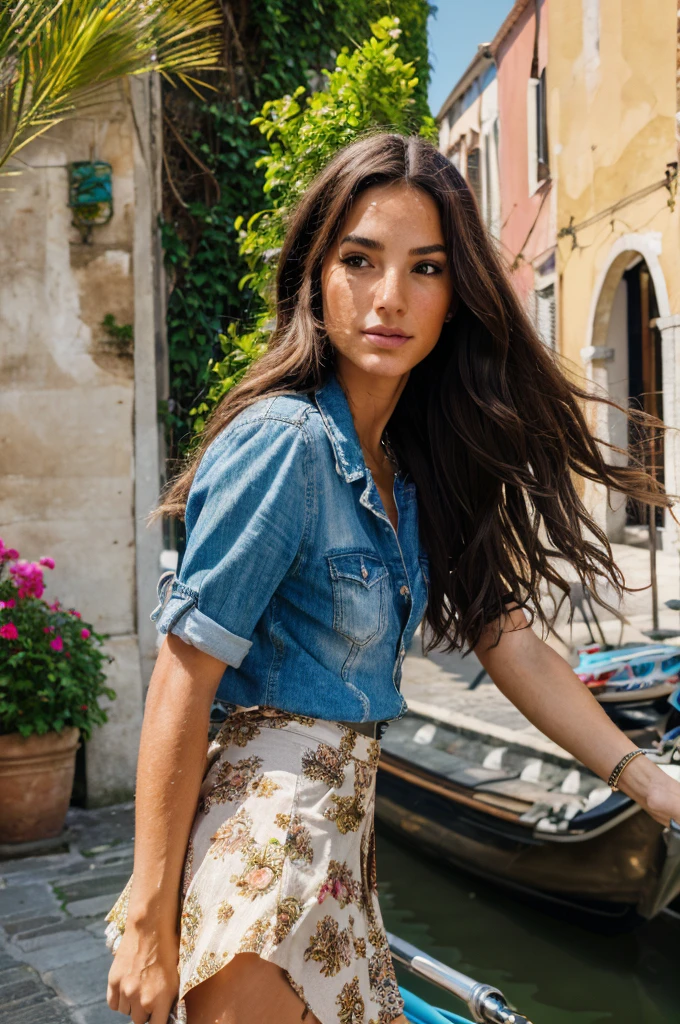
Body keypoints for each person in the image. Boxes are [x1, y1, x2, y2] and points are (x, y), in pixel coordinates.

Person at [105, 133, 680, 1024]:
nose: (389, 297)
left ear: (456, 298)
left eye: (426, 268)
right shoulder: (286, 443)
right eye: (360, 259)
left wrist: (647, 780)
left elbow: (508, 639)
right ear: (317, 276)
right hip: (266, 864)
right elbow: (184, 674)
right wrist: (147, 916)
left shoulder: (408, 472)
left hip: (342, 868)